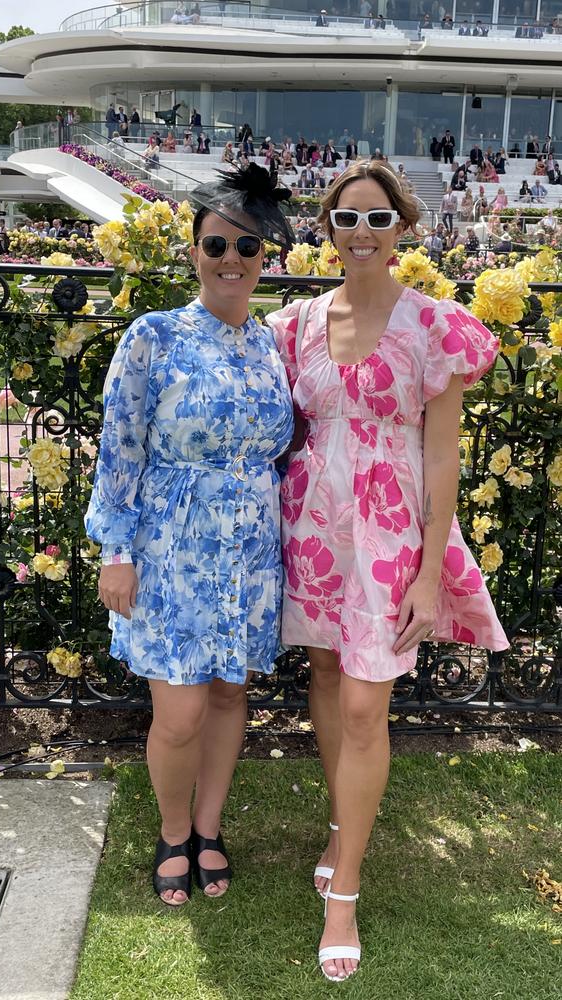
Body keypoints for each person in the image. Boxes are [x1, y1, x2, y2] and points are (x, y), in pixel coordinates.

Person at [266, 160, 508, 982]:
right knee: (330, 680)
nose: (360, 233)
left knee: (369, 703)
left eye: (377, 219)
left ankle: (347, 894)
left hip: (389, 535)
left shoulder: (436, 326)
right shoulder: (294, 325)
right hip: (313, 531)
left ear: (403, 229)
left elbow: (443, 457)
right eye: (346, 219)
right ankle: (341, 829)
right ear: (326, 230)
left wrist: (430, 573)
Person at [85, 164, 295, 907]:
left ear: (266, 256)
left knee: (231, 697)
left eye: (248, 247)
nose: (232, 259)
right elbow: (122, 447)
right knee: (178, 714)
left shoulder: (273, 345)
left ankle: (210, 828)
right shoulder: (156, 338)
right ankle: (174, 832)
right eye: (217, 245)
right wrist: (116, 551)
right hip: (170, 551)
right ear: (194, 252)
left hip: (250, 555)